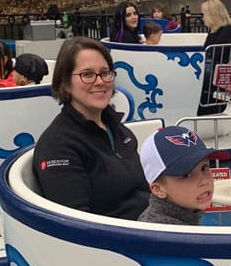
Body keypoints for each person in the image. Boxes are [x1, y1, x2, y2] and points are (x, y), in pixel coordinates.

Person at [33, 37, 149, 219]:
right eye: (87, 74)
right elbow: (76, 223)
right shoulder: (59, 146)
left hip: (150, 224)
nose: (100, 81)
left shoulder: (117, 130)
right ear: (65, 82)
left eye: (105, 73)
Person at [137, 126, 226, 225]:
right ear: (158, 189)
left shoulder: (184, 214)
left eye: (204, 168)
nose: (204, 181)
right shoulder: (165, 234)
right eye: (187, 175)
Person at [197, 0, 231, 116]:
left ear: (212, 15)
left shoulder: (227, 32)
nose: (203, 18)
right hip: (209, 73)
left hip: (216, 78)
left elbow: (230, 56)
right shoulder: (213, 31)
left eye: (204, 14)